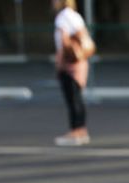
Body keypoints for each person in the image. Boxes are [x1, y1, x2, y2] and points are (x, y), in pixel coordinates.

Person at [53, 0, 92, 147]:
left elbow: (63, 41)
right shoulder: (75, 16)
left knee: (72, 99)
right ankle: (81, 130)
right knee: (77, 98)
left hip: (70, 63)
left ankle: (75, 131)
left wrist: (59, 64)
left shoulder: (62, 17)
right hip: (80, 62)